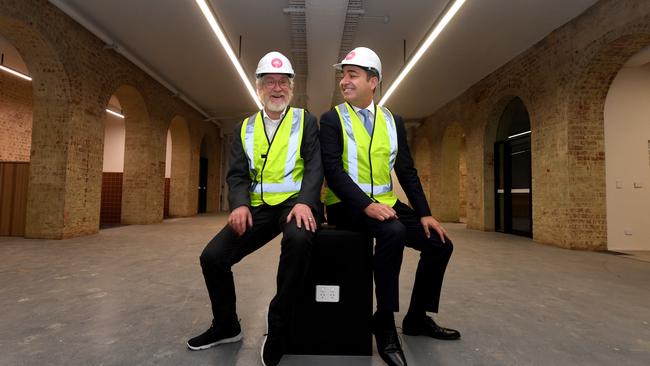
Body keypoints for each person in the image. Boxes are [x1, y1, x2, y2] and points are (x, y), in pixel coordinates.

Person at [319, 47, 460, 366]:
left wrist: (424, 212)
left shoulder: (392, 120)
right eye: (343, 75)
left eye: (352, 75)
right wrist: (366, 205)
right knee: (393, 231)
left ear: (374, 81)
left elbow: (406, 169)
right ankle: (383, 322)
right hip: (345, 205)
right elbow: (333, 170)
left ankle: (415, 319)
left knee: (440, 244)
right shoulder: (331, 119)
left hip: (385, 203)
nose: (344, 81)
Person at [187, 51, 323, 366]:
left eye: (283, 82)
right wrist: (240, 204)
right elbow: (236, 175)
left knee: (299, 241)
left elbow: (315, 166)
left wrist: (306, 201)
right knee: (213, 257)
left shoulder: (305, 120)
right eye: (270, 82)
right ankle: (226, 326)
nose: (277, 88)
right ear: (259, 87)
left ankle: (278, 327)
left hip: (295, 206)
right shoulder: (244, 128)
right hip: (259, 208)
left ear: (291, 87)